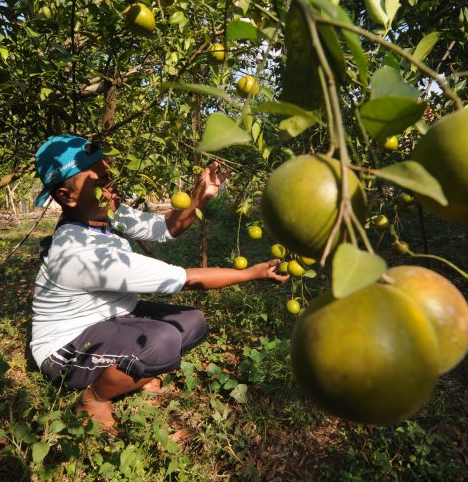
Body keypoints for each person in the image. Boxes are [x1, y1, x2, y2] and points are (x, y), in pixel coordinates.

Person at [30, 134, 288, 433]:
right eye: (101, 182)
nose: (113, 188)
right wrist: (252, 273)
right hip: (66, 350)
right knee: (162, 343)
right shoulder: (78, 252)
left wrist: (200, 195)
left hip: (111, 319)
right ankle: (93, 399)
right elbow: (183, 279)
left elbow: (165, 227)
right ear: (67, 196)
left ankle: (126, 376)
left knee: (193, 321)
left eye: (111, 178)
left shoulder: (106, 212)